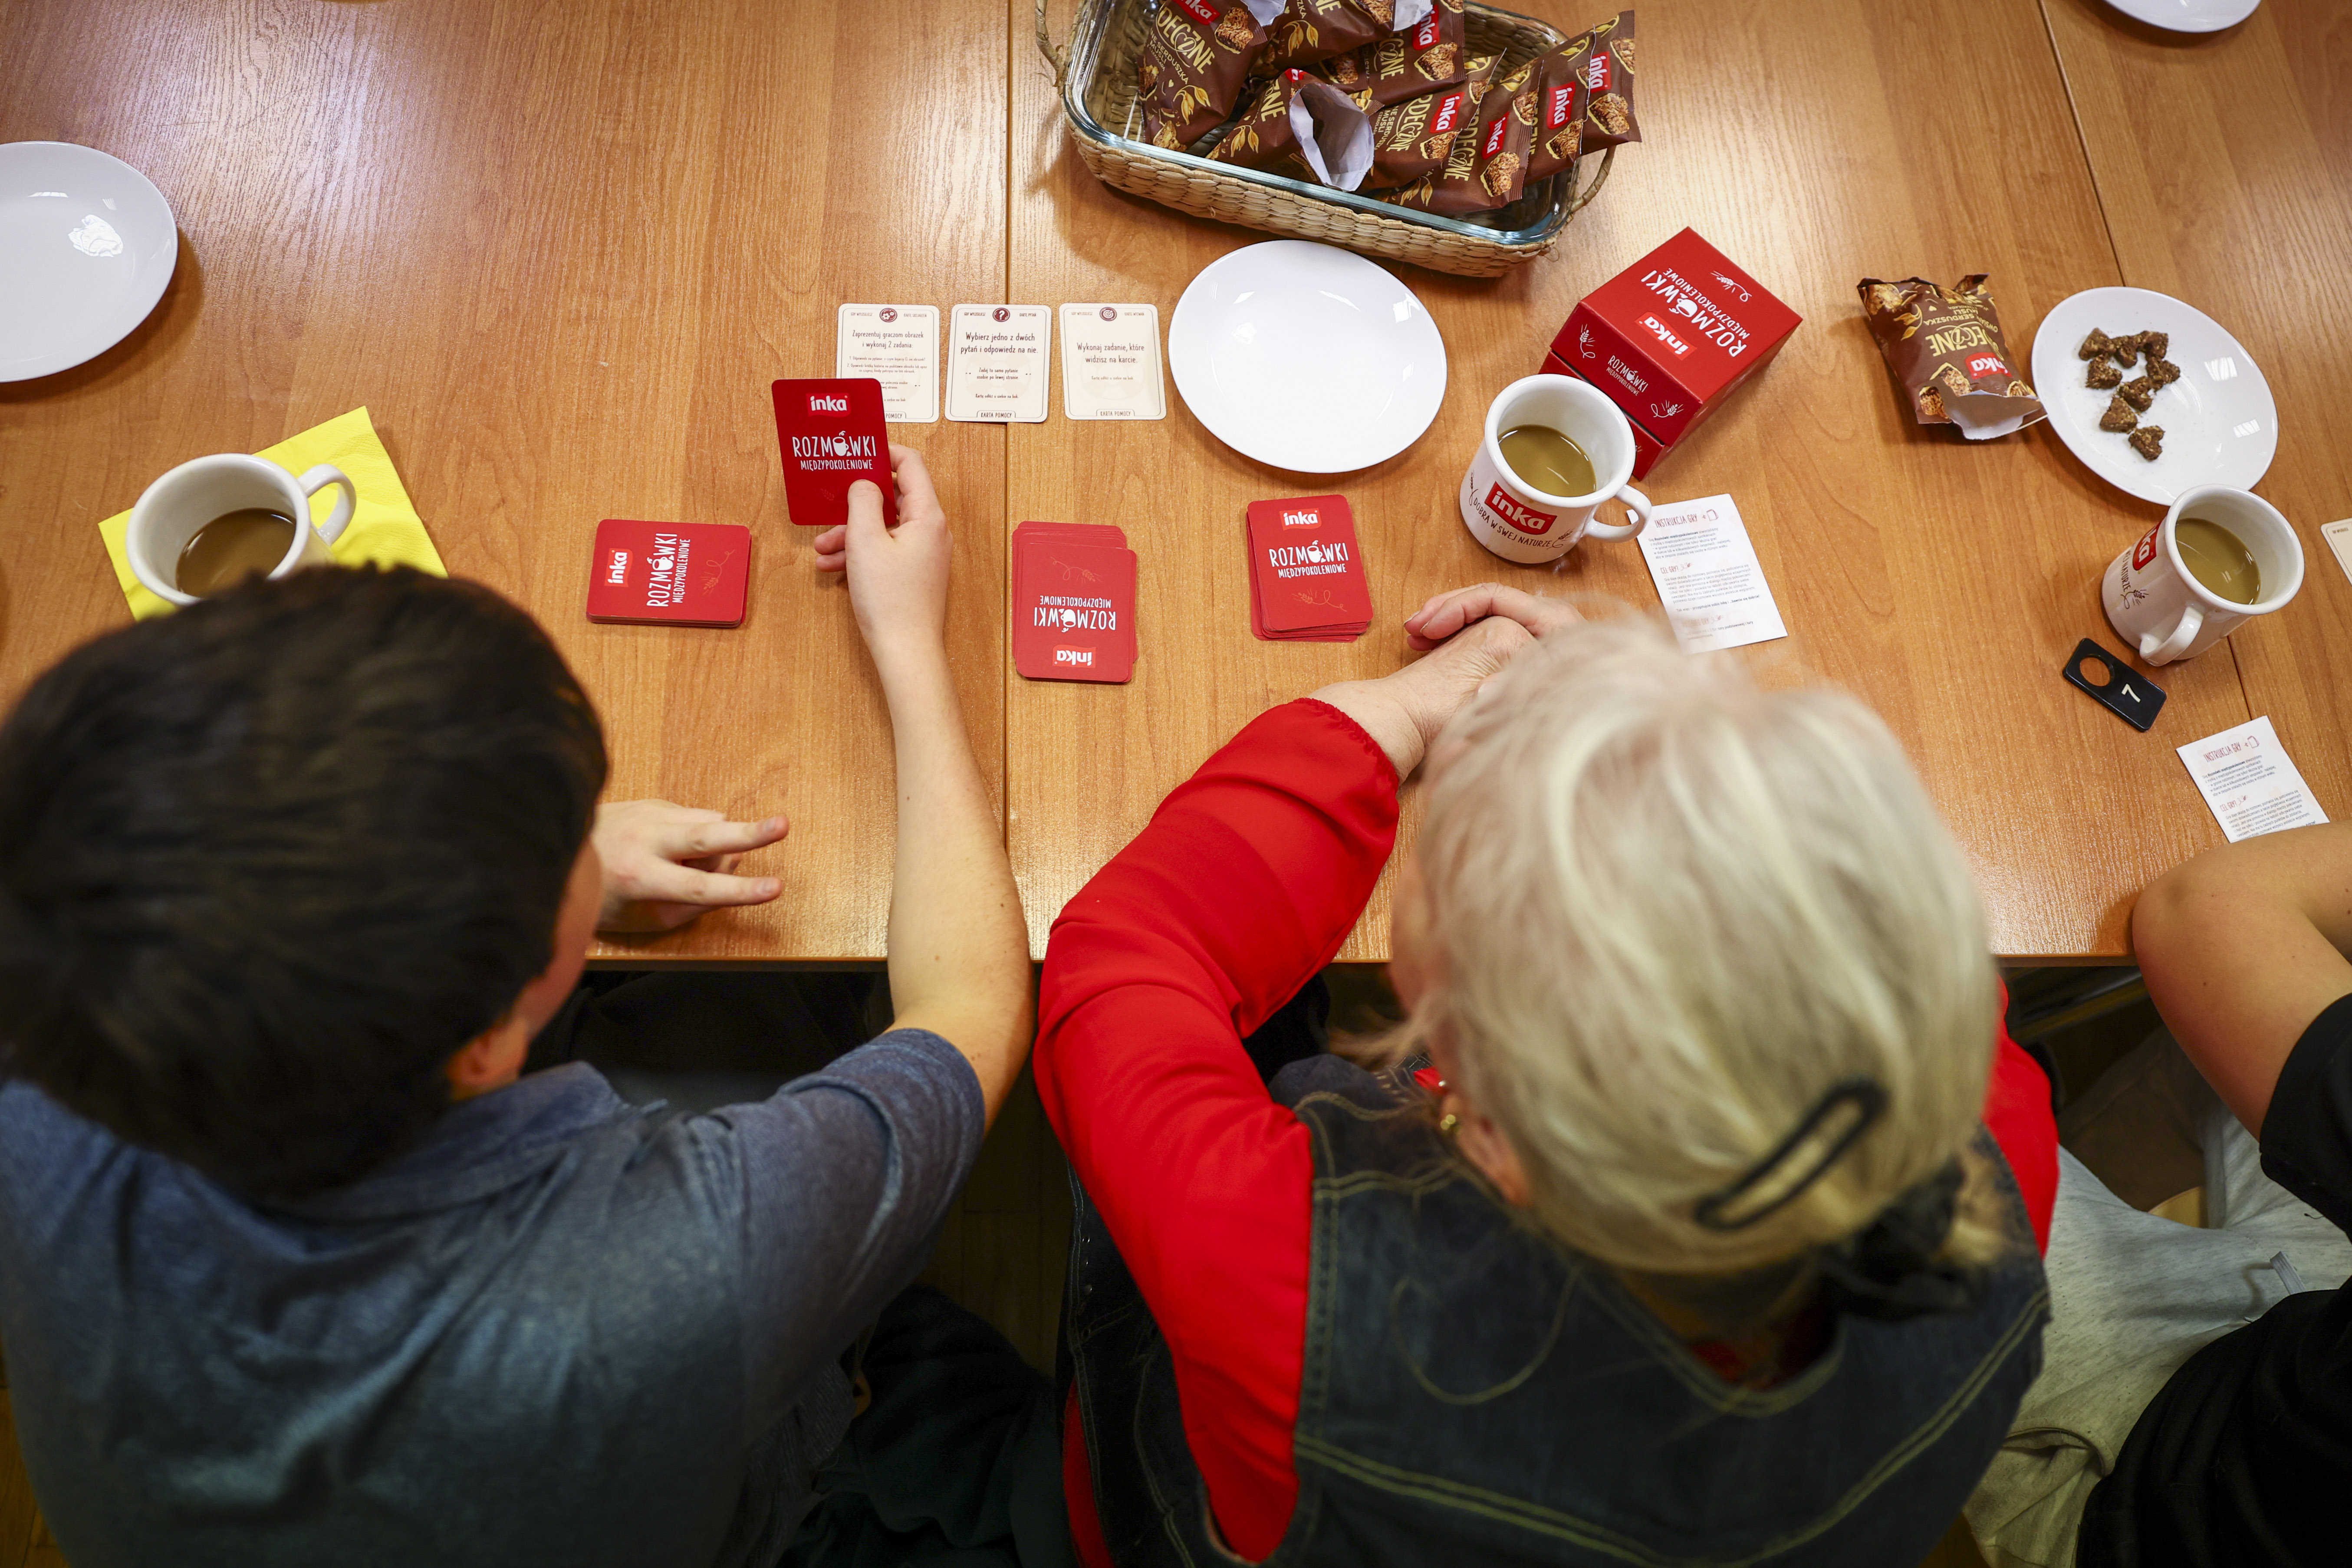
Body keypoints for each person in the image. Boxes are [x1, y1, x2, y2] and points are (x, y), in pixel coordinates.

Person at [0, 449, 1046, 1567]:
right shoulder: (676, 1266)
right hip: (704, 1495)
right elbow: (972, 1005)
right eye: (565, 862)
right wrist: (907, 642)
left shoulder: (44, 1039)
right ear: (493, 1044)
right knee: (779, 1015)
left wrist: (510, 863)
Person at [1036, 585, 2060, 1567]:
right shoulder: (1996, 1159)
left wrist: (1394, 714)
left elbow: (1127, 959)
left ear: (1479, 1128)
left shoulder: (1295, 1288)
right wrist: (1630, 727)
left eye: (1453, 870)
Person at [1967, 826, 2352, 1568]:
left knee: (1880, 1069)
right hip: (2316, 1351)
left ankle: (2027, 1126)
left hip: (2145, 1492)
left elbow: (2197, 909)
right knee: (2247, 1002)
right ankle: (2063, 1142)